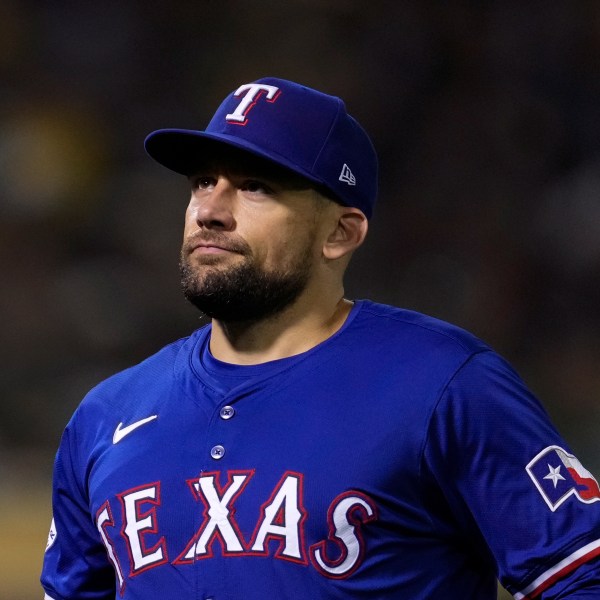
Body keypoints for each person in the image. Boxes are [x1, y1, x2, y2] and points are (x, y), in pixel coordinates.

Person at [41, 77, 600, 599]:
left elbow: (583, 575)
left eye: (254, 186)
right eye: (203, 181)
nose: (210, 210)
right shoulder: (105, 415)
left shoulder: (444, 385)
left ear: (340, 232)